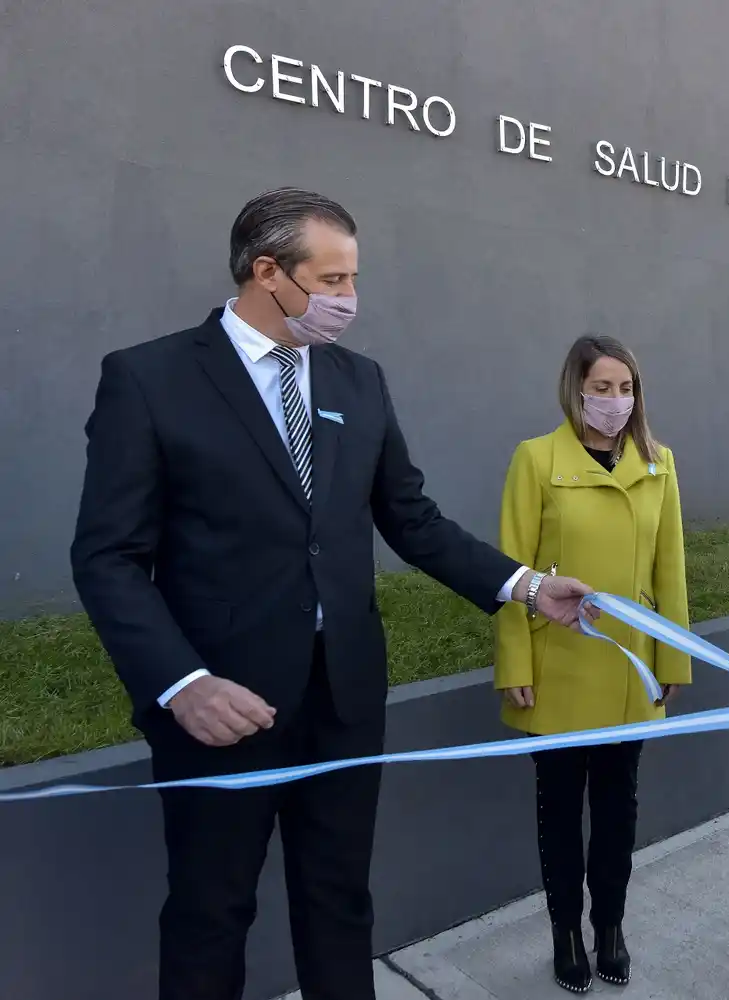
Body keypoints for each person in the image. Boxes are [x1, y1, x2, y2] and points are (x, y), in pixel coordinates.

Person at [69, 187, 595, 1000]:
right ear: (267, 271)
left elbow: (411, 518)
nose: (350, 299)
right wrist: (182, 683)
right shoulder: (150, 379)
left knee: (340, 902)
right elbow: (108, 557)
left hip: (344, 697)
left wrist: (526, 586)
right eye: (334, 280)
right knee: (211, 912)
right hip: (222, 706)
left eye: (354, 278)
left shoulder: (359, 381)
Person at [495, 335, 690, 993]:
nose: (615, 400)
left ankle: (610, 927)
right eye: (602, 387)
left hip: (630, 670)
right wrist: (514, 664)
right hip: (557, 668)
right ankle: (567, 933)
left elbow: (671, 570)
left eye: (625, 388)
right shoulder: (536, 460)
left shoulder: (658, 464)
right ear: (575, 389)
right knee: (558, 810)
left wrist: (673, 658)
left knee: (616, 810)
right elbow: (511, 571)